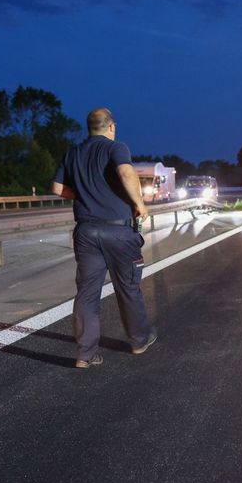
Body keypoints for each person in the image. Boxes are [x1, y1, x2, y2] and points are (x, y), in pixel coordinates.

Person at [52, 108, 157, 369]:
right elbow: (125, 172)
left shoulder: (73, 152)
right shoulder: (116, 147)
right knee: (127, 287)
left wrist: (85, 196)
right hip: (119, 232)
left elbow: (56, 188)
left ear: (89, 128)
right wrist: (140, 204)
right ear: (111, 127)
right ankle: (139, 340)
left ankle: (85, 355)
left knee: (87, 292)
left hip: (86, 232)